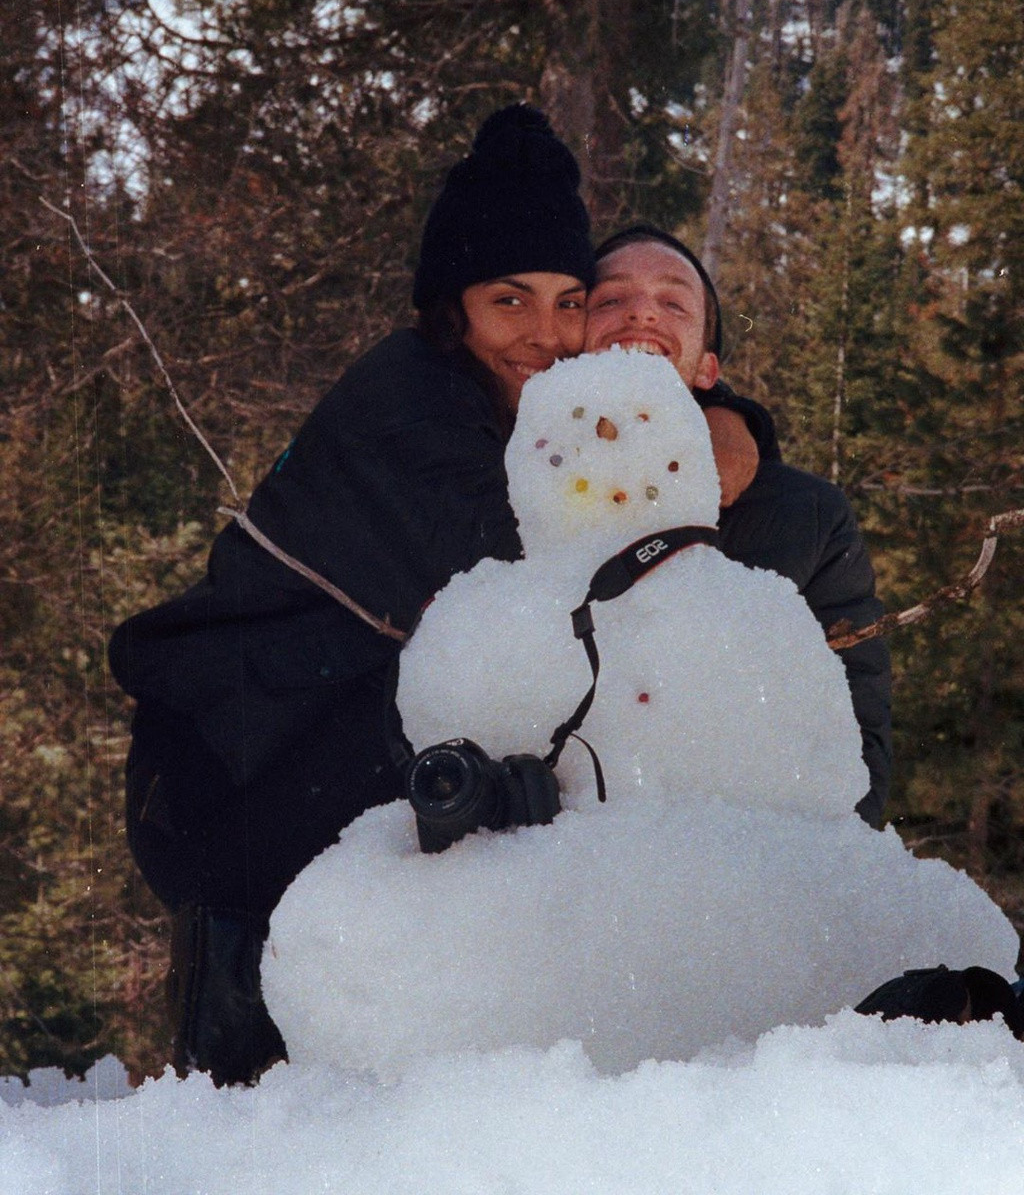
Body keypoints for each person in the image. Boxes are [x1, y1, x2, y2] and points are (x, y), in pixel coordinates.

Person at [108, 107, 772, 1086]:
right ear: (451, 307)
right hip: (227, 791)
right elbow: (553, 560)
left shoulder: (501, 408)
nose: (544, 336)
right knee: (270, 1107)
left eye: (566, 301)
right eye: (510, 301)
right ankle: (243, 1084)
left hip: (302, 762)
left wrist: (726, 420)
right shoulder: (411, 409)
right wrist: (721, 435)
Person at [584, 224, 892, 826]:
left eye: (673, 302)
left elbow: (859, 753)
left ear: (707, 368)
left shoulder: (807, 519)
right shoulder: (502, 483)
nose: (642, 312)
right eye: (610, 299)